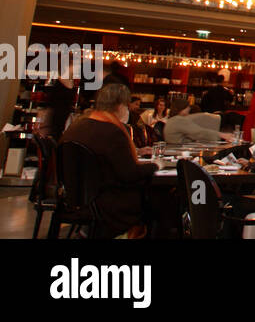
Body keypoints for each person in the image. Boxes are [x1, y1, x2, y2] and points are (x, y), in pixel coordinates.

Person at [58, 82, 157, 238]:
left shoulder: (80, 124)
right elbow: (129, 174)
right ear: (120, 106)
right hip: (105, 202)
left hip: (72, 197)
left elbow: (99, 154)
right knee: (159, 199)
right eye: (127, 106)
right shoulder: (113, 131)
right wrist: (156, 166)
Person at [163, 94, 229, 145]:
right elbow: (199, 132)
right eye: (188, 107)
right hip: (177, 149)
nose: (189, 109)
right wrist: (222, 135)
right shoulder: (178, 120)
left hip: (173, 147)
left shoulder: (172, 120)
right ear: (182, 109)